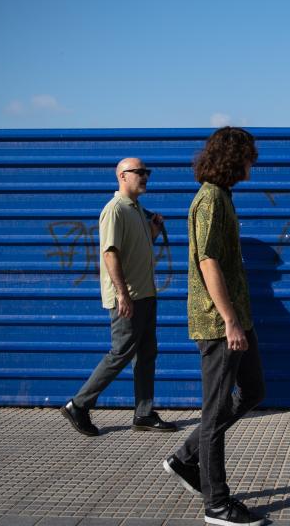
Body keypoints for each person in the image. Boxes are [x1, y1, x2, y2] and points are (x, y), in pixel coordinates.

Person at [161, 127, 267, 526]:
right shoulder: (209, 200)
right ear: (233, 157)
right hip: (220, 322)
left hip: (239, 317)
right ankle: (217, 504)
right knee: (216, 409)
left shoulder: (223, 197)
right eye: (248, 155)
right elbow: (208, 262)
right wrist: (229, 321)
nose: (252, 163)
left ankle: (186, 459)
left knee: (254, 390)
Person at [60, 158, 176, 436]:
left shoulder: (136, 210)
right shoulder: (114, 210)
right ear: (123, 176)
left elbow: (137, 247)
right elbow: (110, 253)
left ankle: (144, 414)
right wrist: (122, 294)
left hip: (146, 294)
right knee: (121, 353)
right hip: (130, 297)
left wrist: (154, 232)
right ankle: (79, 404)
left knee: (146, 354)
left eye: (147, 172)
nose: (145, 176)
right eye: (139, 172)